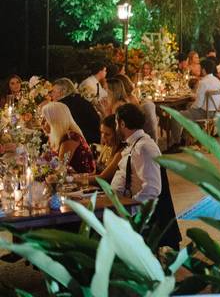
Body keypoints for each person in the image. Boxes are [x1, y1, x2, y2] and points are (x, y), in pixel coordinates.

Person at [110, 103, 181, 249]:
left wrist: (130, 210)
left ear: (122, 123)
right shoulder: (135, 144)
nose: (116, 128)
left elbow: (152, 189)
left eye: (116, 123)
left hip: (133, 215)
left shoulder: (144, 147)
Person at [168, 58, 220, 148]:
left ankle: (175, 143)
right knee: (187, 109)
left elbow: (198, 104)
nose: (199, 70)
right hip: (215, 112)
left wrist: (190, 109)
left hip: (204, 113)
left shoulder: (203, 82)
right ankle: (184, 139)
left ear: (204, 70)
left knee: (176, 115)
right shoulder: (217, 81)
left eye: (200, 68)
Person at [41, 101, 96, 174]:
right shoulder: (56, 137)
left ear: (56, 121)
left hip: (82, 182)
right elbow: (44, 162)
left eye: (45, 120)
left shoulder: (70, 138)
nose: (41, 123)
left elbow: (59, 169)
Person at [104, 75, 159, 141]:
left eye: (105, 89)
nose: (104, 92)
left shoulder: (118, 106)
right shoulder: (122, 101)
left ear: (112, 91)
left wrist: (105, 112)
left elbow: (112, 129)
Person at [50, 78, 100, 147]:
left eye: (53, 91)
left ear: (62, 92)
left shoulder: (63, 105)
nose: (51, 95)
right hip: (94, 138)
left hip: (83, 141)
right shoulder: (79, 99)